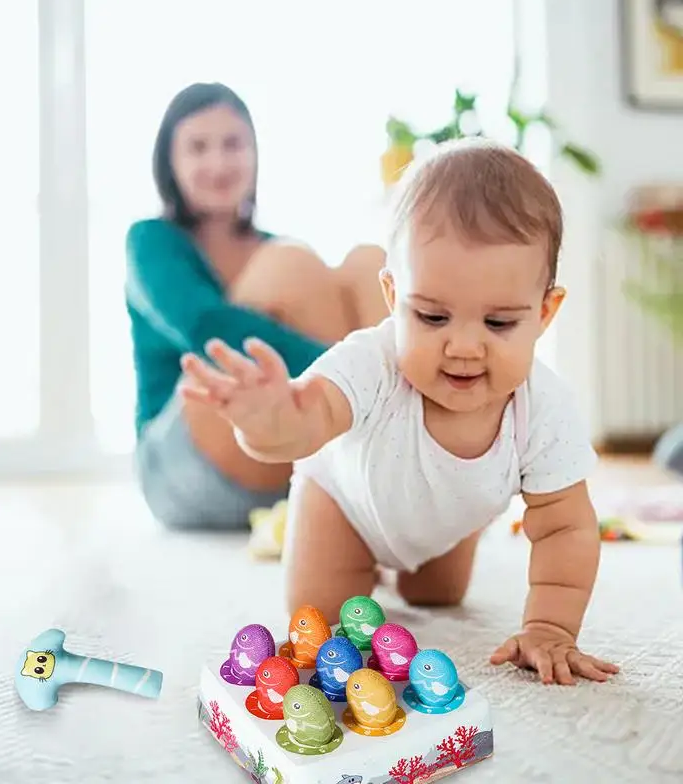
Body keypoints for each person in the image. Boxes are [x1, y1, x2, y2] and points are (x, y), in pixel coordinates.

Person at [180, 138, 621, 686]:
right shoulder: (373, 362)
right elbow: (307, 419)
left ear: (544, 312)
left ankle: (407, 571)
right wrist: (266, 417)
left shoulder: (545, 409)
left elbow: (564, 528)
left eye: (499, 323)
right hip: (345, 506)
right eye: (433, 317)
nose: (464, 346)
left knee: (436, 597)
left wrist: (551, 627)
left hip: (446, 522)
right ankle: (355, 566)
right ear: (393, 296)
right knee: (323, 631)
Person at [126, 82, 389, 531]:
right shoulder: (152, 240)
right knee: (293, 262)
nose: (219, 162)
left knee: (369, 263)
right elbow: (206, 325)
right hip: (179, 466)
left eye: (233, 144)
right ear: (170, 163)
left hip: (280, 458)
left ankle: (392, 469)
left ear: (254, 154)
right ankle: (386, 414)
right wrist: (354, 379)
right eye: (198, 147)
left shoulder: (269, 248)